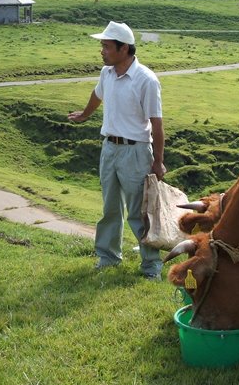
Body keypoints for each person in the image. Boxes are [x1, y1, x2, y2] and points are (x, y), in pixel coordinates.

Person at [67, 21, 166, 280]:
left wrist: (159, 162)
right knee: (110, 207)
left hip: (136, 152)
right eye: (102, 45)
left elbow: (156, 123)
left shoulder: (146, 80)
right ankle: (108, 257)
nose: (102, 51)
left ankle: (151, 265)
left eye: (106, 46)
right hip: (109, 148)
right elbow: (97, 94)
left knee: (138, 211)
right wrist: (86, 114)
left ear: (124, 49)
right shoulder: (106, 73)